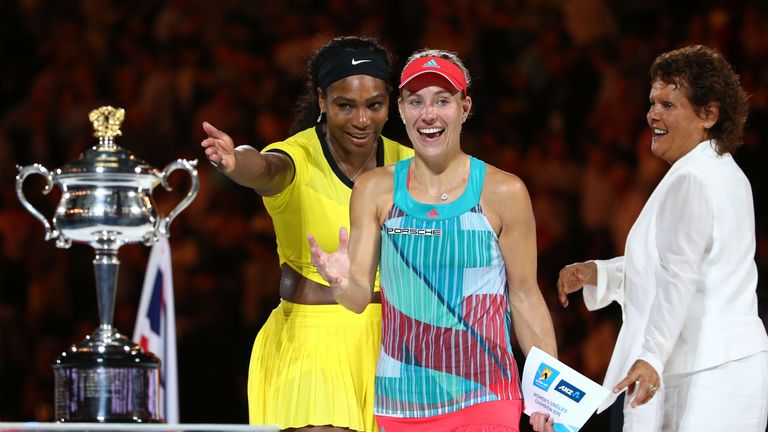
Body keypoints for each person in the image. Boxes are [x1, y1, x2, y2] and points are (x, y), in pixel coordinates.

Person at [309, 49, 557, 432]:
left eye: (442, 100)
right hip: (402, 401)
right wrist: (340, 283)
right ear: (402, 110)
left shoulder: (504, 191)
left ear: (465, 106)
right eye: (416, 101)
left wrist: (547, 394)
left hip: (486, 394)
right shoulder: (375, 189)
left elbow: (524, 295)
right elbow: (357, 299)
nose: (429, 114)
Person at [201, 36, 413, 432]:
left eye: (374, 105)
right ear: (322, 100)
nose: (361, 119)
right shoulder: (297, 156)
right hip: (313, 342)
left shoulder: (409, 164)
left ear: (391, 102)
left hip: (396, 347)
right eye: (345, 105)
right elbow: (264, 168)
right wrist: (235, 163)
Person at [557, 44, 768, 431]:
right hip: (726, 367)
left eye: (668, 104)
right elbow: (682, 263)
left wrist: (652, 356)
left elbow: (679, 274)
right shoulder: (723, 172)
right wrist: (600, 274)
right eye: (653, 102)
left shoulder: (691, 177)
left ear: (709, 114)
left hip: (701, 374)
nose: (652, 113)